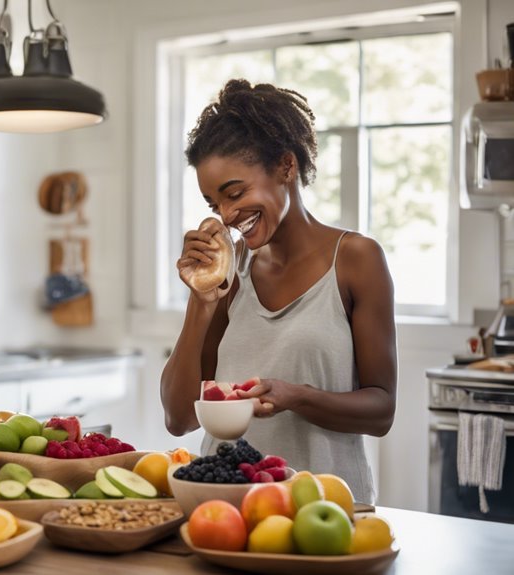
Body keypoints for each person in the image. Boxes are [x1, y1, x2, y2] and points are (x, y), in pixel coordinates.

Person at [159, 79, 397, 503]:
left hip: (326, 507)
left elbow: (381, 411)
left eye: (236, 193)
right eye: (215, 205)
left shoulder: (357, 259)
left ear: (286, 167)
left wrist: (297, 396)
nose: (229, 215)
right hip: (225, 506)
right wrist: (200, 301)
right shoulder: (229, 270)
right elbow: (178, 418)